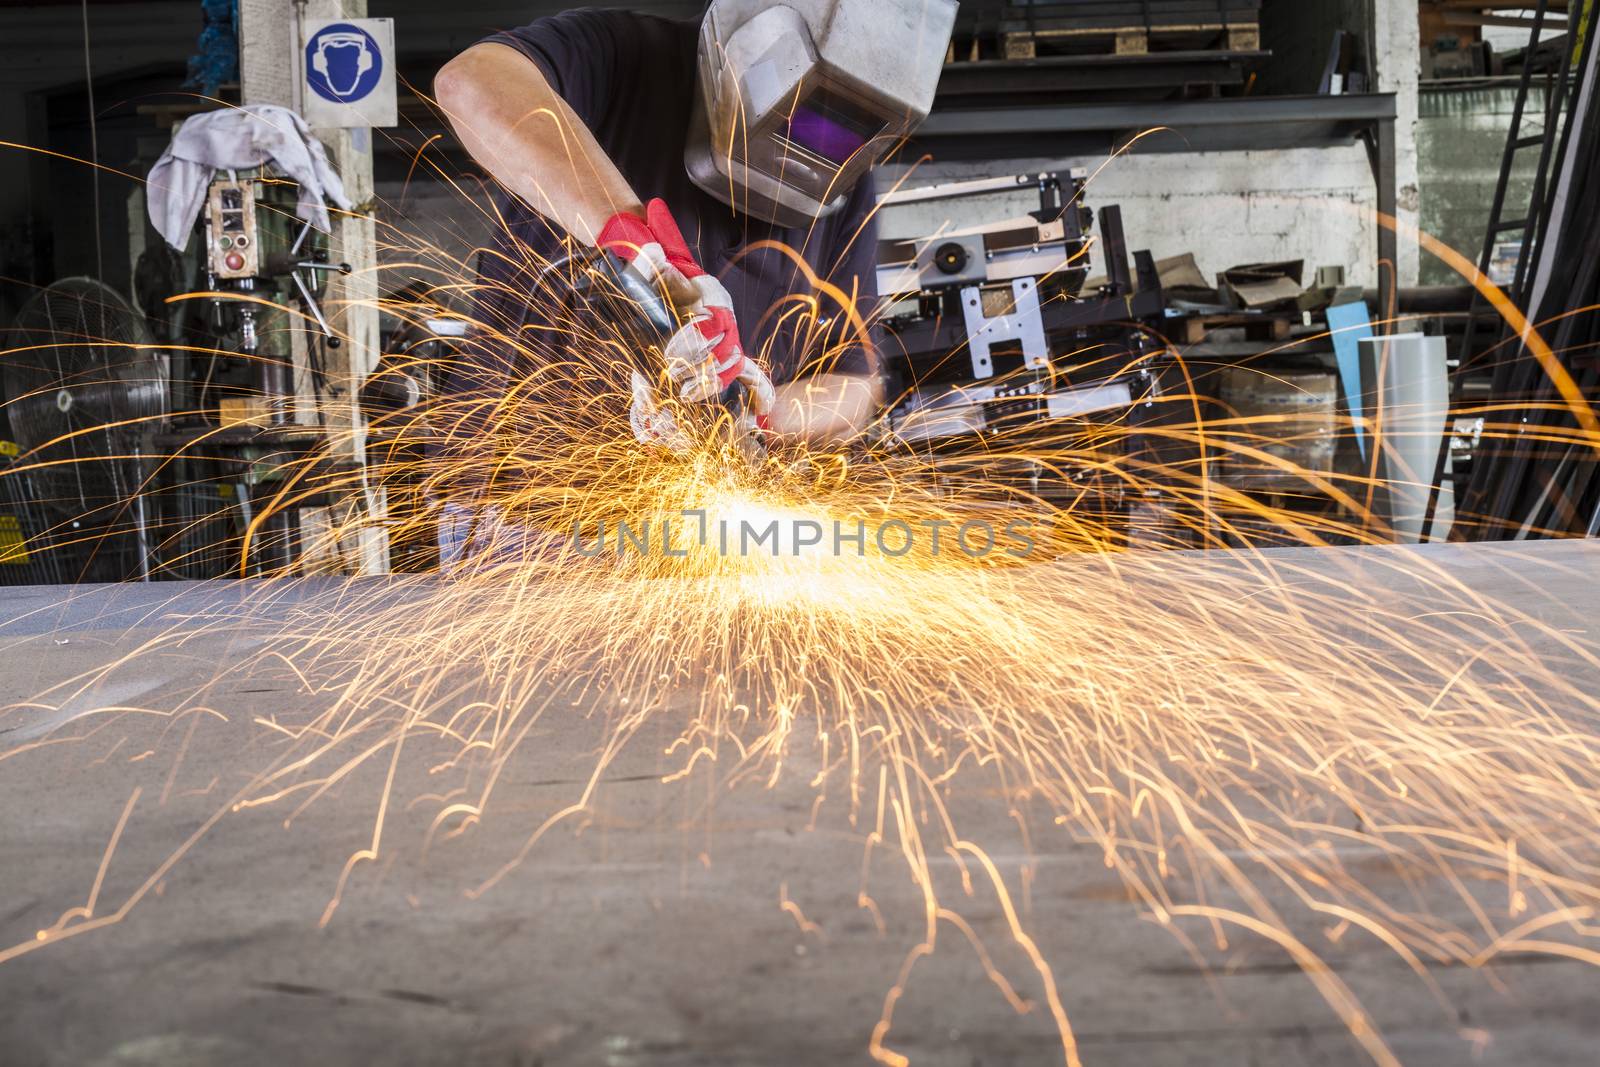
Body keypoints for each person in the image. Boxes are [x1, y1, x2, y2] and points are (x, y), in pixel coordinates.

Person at [433, 0, 957, 452]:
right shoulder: (621, 55)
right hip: (527, 512)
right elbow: (470, 83)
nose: (813, 146)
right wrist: (641, 250)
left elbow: (856, 387)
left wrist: (756, 406)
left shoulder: (845, 182)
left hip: (696, 526)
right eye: (801, 109)